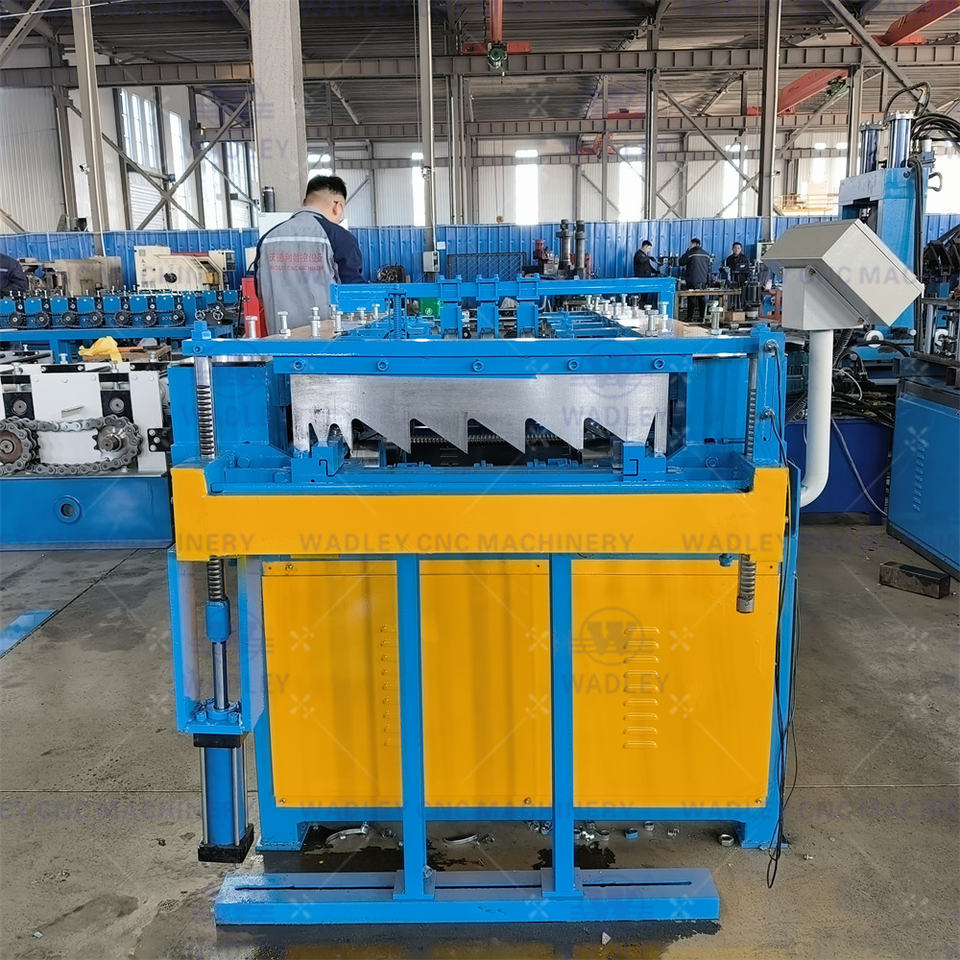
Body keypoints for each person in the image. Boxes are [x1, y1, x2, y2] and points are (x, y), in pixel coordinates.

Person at [254, 175, 365, 335]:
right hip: (329, 344)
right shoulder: (339, 238)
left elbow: (260, 293)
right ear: (337, 206)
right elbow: (354, 295)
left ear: (304, 202)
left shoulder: (267, 239)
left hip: (279, 343)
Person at [678, 237, 712, 321]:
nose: (690, 246)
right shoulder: (706, 254)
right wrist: (708, 281)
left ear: (695, 244)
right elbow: (709, 269)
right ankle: (702, 317)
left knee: (691, 299)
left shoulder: (691, 253)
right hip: (703, 281)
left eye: (691, 244)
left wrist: (687, 251)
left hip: (692, 280)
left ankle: (690, 317)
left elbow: (681, 262)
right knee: (701, 299)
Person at [632, 240, 660, 307]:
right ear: (645, 246)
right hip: (640, 280)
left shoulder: (645, 256)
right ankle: (639, 308)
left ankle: (642, 308)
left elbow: (648, 267)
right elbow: (641, 260)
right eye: (648, 248)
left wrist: (656, 271)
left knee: (645, 296)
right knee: (640, 297)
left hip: (646, 279)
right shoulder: (638, 254)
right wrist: (649, 257)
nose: (649, 250)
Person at [724, 241, 750, 310]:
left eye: (738, 248)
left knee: (741, 296)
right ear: (732, 249)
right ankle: (732, 307)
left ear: (741, 249)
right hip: (732, 280)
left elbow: (747, 270)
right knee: (732, 295)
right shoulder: (729, 259)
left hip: (742, 280)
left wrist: (747, 280)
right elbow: (726, 269)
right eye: (735, 248)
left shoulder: (744, 258)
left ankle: (741, 308)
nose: (736, 250)